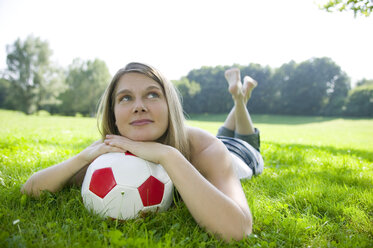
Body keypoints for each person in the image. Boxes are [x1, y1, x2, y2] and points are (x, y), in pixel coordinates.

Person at [21, 62, 264, 242]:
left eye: (152, 94)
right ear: (113, 116)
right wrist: (82, 158)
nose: (139, 107)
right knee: (227, 128)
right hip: (222, 143)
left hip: (241, 156)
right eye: (126, 98)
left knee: (245, 139)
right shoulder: (109, 156)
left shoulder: (205, 147)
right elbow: (30, 190)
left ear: (170, 106)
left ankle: (240, 100)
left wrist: (168, 156)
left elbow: (237, 230)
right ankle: (240, 97)